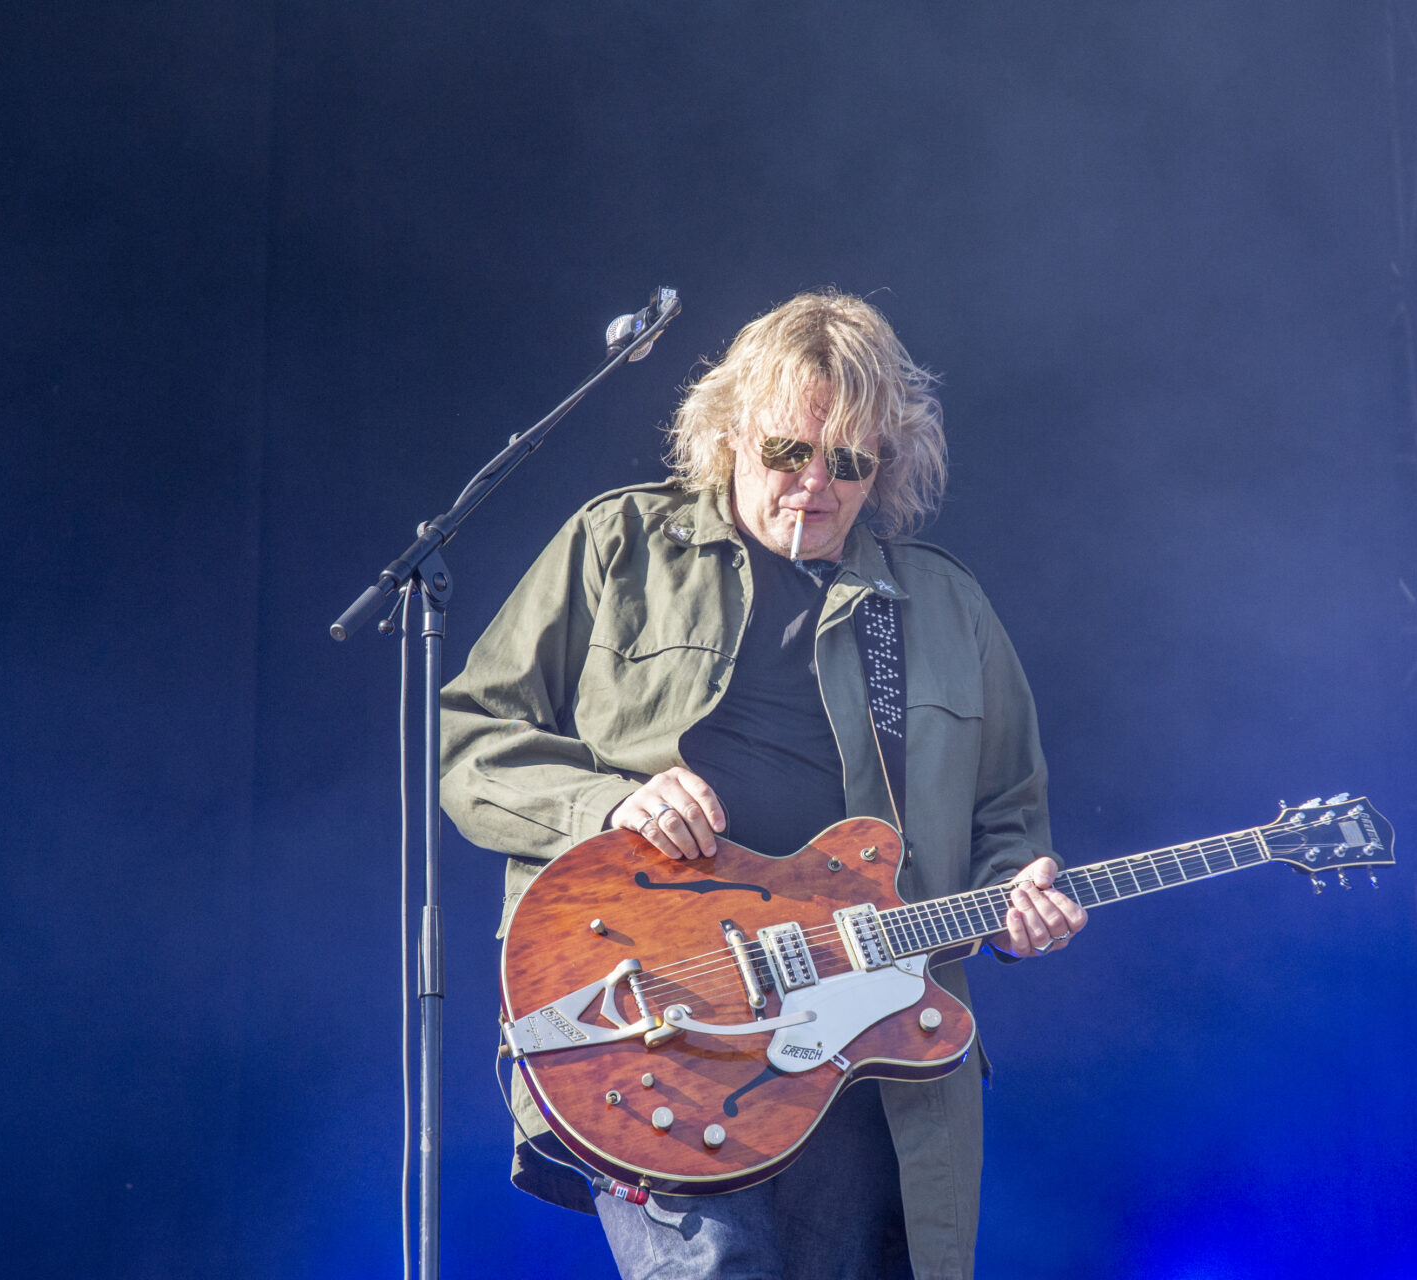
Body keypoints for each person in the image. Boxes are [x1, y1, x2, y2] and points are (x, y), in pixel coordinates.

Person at [440, 289, 1086, 1280]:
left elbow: (1008, 815)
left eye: (850, 462)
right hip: (656, 1008)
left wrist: (1017, 895)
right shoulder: (621, 544)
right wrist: (608, 803)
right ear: (730, 431)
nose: (815, 484)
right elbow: (469, 740)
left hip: (865, 1035)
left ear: (885, 466)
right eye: (788, 450)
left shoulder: (943, 604)